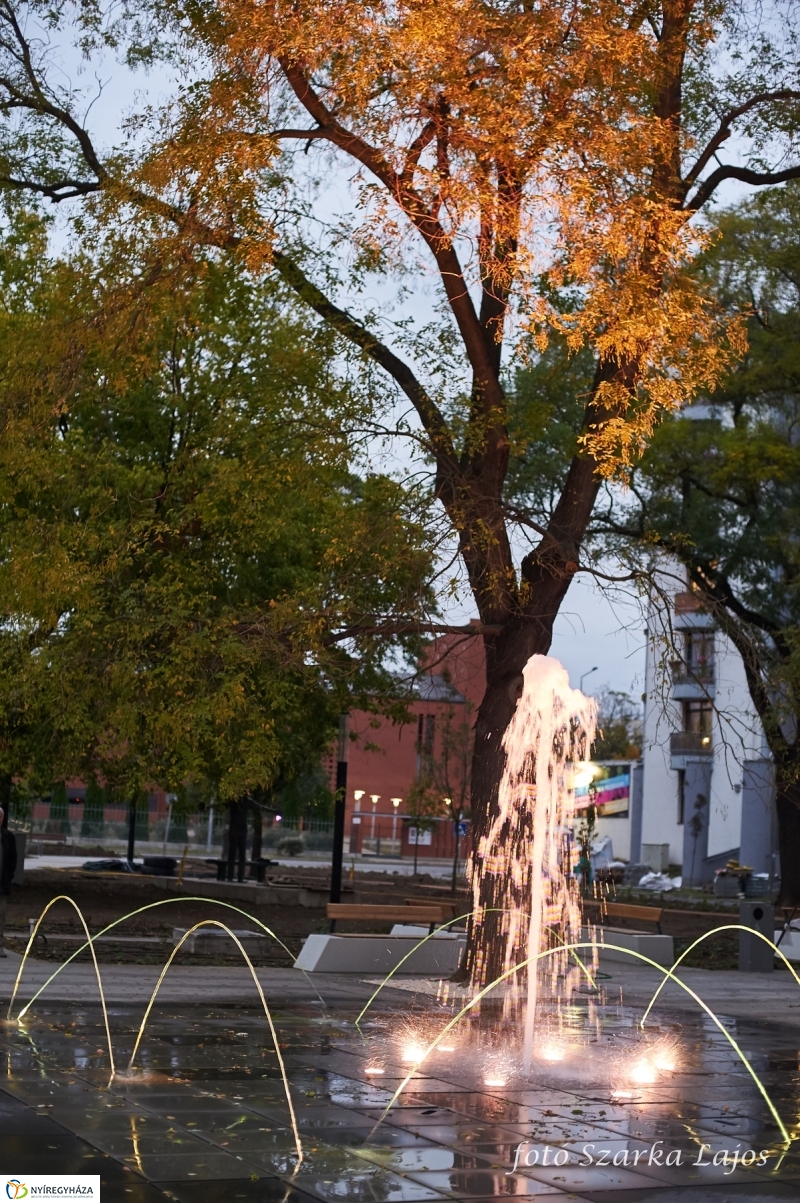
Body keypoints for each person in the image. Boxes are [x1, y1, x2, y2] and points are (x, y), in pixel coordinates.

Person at [0, 807, 18, 957]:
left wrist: (9, 878)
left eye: (0, 816)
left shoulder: (8, 837)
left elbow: (13, 860)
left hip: (2, 885)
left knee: (1, 915)